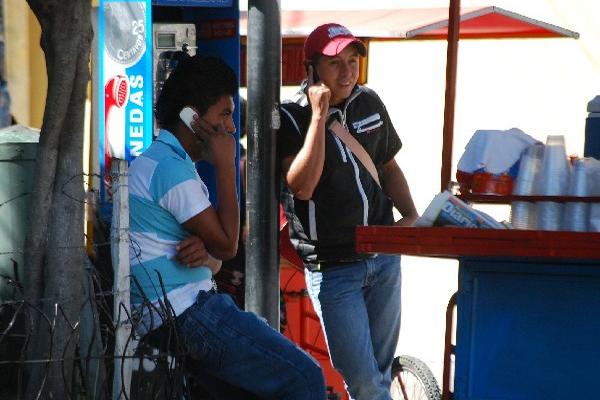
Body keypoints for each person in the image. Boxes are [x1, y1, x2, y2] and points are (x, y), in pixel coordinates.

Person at [128, 54, 325, 399]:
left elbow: (215, 251)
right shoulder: (170, 169)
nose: (233, 126)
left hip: (174, 312)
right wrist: (225, 164)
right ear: (192, 118)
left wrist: (208, 249)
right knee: (305, 378)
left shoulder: (160, 161)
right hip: (186, 312)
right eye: (225, 114)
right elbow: (227, 247)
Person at [278, 23, 419, 400]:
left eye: (352, 60)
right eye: (335, 63)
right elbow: (302, 185)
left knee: (380, 374)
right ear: (311, 70)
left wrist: (410, 216)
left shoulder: (369, 102)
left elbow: (387, 167)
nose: (347, 71)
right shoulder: (290, 117)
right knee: (364, 383)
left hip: (384, 258)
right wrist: (319, 118)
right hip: (334, 268)